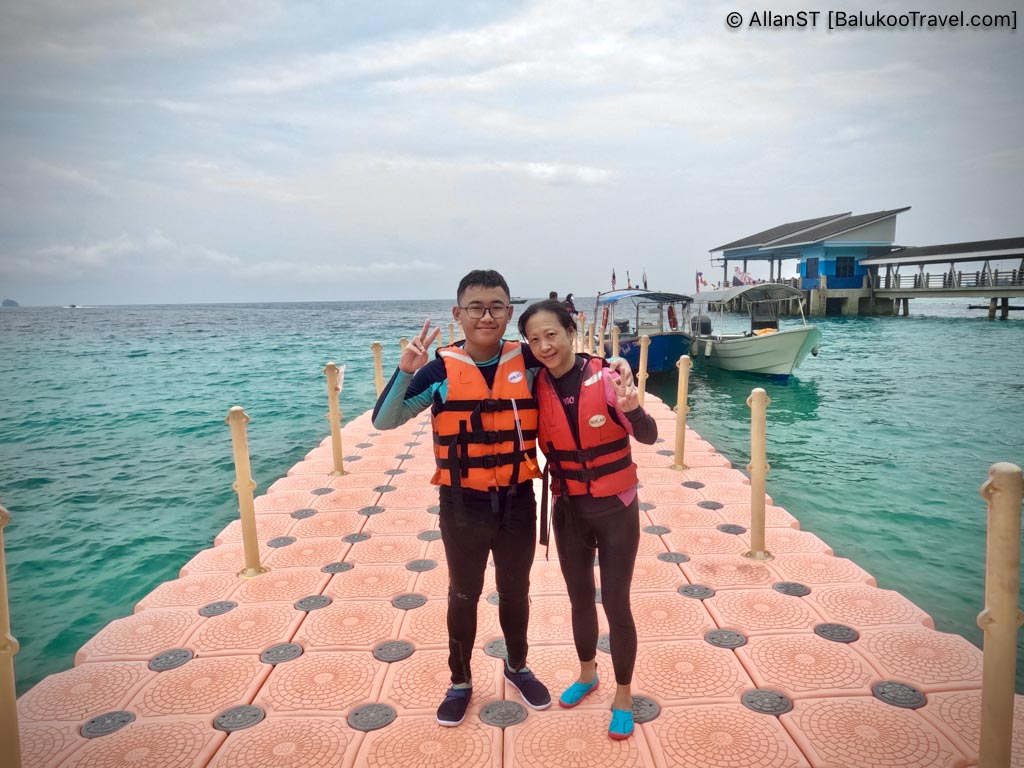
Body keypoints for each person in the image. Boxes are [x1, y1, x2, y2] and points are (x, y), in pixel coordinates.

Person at [372, 270, 630, 728]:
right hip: (462, 504)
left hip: (517, 500)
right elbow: (385, 421)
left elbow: (571, 363)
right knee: (464, 593)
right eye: (476, 307)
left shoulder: (527, 362)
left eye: (496, 307)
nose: (486, 316)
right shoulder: (438, 370)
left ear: (509, 314)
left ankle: (517, 666)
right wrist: (405, 370)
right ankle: (460, 681)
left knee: (516, 591)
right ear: (459, 314)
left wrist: (616, 365)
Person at [517, 299, 658, 740]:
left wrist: (633, 407)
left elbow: (649, 435)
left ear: (570, 332)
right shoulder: (534, 383)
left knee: (616, 603)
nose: (544, 345)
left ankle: (623, 694)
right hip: (568, 507)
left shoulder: (610, 375)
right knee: (579, 598)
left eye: (551, 335)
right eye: (534, 339)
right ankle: (586, 674)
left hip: (615, 505)